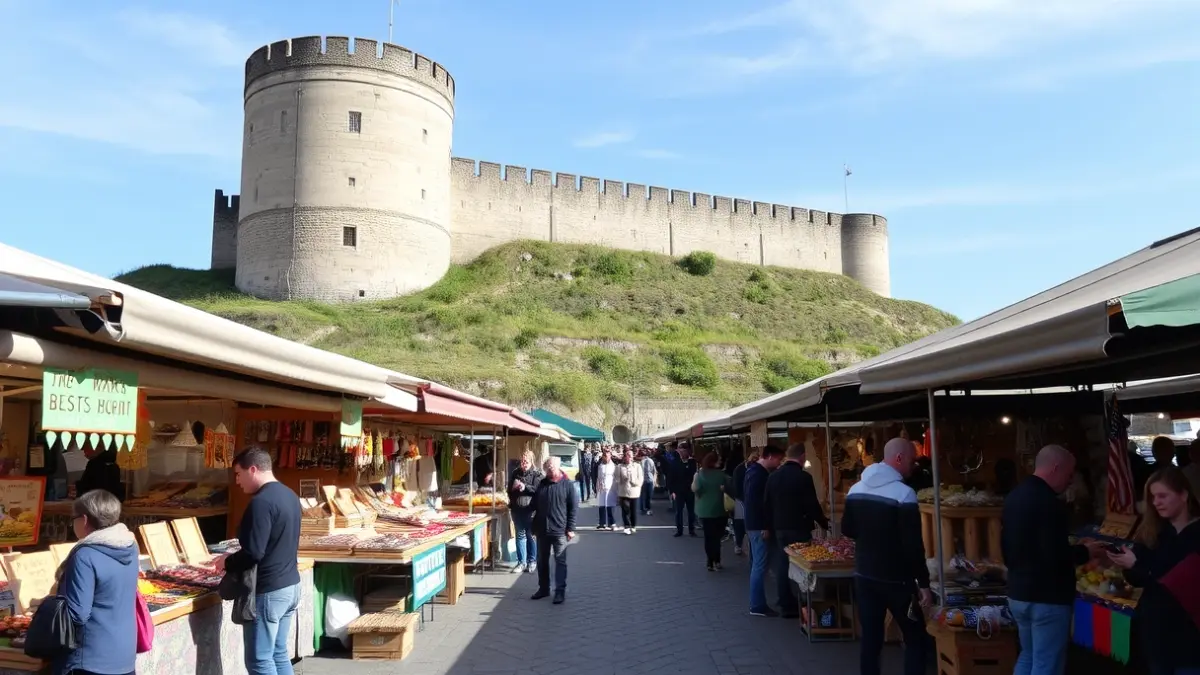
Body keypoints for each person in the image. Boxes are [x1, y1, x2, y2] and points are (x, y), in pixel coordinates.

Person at [1001, 444, 1103, 675]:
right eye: (1070, 473)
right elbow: (1054, 554)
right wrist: (1084, 552)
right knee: (1046, 664)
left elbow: (1007, 548)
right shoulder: (1050, 503)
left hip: (1018, 592)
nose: (1070, 480)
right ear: (1056, 468)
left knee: (1027, 656)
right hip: (1047, 597)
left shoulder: (1013, 497)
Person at [842, 438, 932, 675]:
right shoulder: (904, 494)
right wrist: (923, 584)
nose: (915, 465)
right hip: (897, 579)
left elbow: (847, 529)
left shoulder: (855, 490)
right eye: (912, 460)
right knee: (915, 637)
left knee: (871, 639)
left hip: (864, 574)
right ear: (899, 458)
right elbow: (913, 545)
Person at [217, 447, 302, 675]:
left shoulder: (261, 502)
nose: (237, 481)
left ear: (253, 469)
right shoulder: (290, 495)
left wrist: (227, 562)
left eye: (238, 474)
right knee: (278, 653)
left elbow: (254, 552)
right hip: (290, 585)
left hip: (269, 590)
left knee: (260, 660)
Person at [1108, 468, 1200, 675]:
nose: (1156, 502)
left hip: (1190, 631)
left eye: (1162, 496)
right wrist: (1128, 565)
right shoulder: (1152, 531)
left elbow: (1178, 580)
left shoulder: (1196, 534)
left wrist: (1138, 565)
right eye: (1152, 497)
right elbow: (1137, 579)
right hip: (1156, 631)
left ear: (1184, 495)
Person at [53, 489, 138, 675]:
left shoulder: (85, 555)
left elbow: (78, 614)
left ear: (83, 520)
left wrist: (49, 605)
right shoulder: (130, 545)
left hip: (91, 658)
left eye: (73, 519)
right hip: (124, 653)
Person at [764, 442, 829, 619]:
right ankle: (802, 604)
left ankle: (785, 603)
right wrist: (823, 523)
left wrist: (768, 526)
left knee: (783, 564)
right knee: (801, 566)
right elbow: (812, 505)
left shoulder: (773, 477)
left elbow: (766, 503)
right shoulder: (803, 477)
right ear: (802, 457)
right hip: (799, 527)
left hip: (779, 528)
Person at [530, 456, 579, 605]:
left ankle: (560, 591)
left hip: (560, 530)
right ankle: (544, 588)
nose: (549, 471)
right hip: (542, 530)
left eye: (551, 468)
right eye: (547, 469)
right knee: (542, 560)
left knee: (560, 561)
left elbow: (573, 508)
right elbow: (534, 504)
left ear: (557, 467)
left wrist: (570, 528)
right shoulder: (542, 484)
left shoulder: (567, 485)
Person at [745, 444, 785, 617]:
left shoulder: (752, 471)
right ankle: (757, 605)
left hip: (754, 525)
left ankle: (760, 603)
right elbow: (757, 504)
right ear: (769, 456)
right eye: (778, 459)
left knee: (760, 564)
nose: (779, 463)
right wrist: (764, 526)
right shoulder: (759, 475)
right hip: (758, 526)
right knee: (760, 565)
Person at [508, 450, 544, 573]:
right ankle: (521, 563)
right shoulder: (515, 473)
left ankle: (532, 561)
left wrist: (525, 487)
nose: (524, 464)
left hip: (531, 510)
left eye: (526, 462)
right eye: (522, 461)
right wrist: (513, 488)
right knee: (520, 535)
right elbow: (509, 490)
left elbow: (539, 490)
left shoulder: (537, 474)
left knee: (531, 535)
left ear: (531, 461)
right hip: (517, 509)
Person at [693, 452, 729, 571]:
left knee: (708, 537)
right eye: (719, 460)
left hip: (705, 510)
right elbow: (731, 488)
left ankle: (710, 561)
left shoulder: (700, 474)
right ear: (714, 462)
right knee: (717, 537)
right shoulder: (722, 475)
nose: (720, 462)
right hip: (720, 509)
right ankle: (717, 560)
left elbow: (697, 489)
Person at [731, 451, 758, 556]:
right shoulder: (739, 469)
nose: (755, 459)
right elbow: (736, 486)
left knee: (749, 524)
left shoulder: (756, 468)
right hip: (740, 500)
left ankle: (750, 545)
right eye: (753, 457)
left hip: (750, 500)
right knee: (739, 524)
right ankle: (738, 544)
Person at [669, 443, 699, 538]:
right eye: (680, 451)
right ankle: (679, 530)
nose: (682, 453)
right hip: (679, 491)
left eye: (683, 451)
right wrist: (672, 491)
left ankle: (691, 530)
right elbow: (671, 478)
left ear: (687, 451)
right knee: (679, 511)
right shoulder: (675, 463)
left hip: (690, 491)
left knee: (691, 511)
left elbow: (694, 475)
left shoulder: (692, 462)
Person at [614, 448, 644, 534]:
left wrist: (635, 482)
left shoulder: (637, 466)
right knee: (625, 509)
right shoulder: (619, 466)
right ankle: (626, 526)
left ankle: (633, 525)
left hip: (634, 491)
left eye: (630, 456)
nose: (628, 457)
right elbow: (616, 478)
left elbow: (640, 478)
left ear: (632, 457)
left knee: (633, 510)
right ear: (624, 457)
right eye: (627, 456)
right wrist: (621, 480)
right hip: (623, 491)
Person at [594, 448, 618, 530]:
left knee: (610, 506)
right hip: (601, 488)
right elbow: (597, 477)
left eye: (607, 456)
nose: (606, 457)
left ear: (610, 456)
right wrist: (596, 488)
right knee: (602, 506)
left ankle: (612, 523)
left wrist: (617, 489)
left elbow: (616, 478)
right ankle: (602, 523)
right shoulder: (600, 466)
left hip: (611, 488)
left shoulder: (613, 466)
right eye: (604, 456)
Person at [639, 450, 657, 516]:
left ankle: (642, 509)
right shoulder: (651, 461)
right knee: (649, 496)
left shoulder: (641, 462)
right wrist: (654, 480)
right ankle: (648, 508)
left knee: (642, 495)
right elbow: (654, 471)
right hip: (650, 479)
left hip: (643, 480)